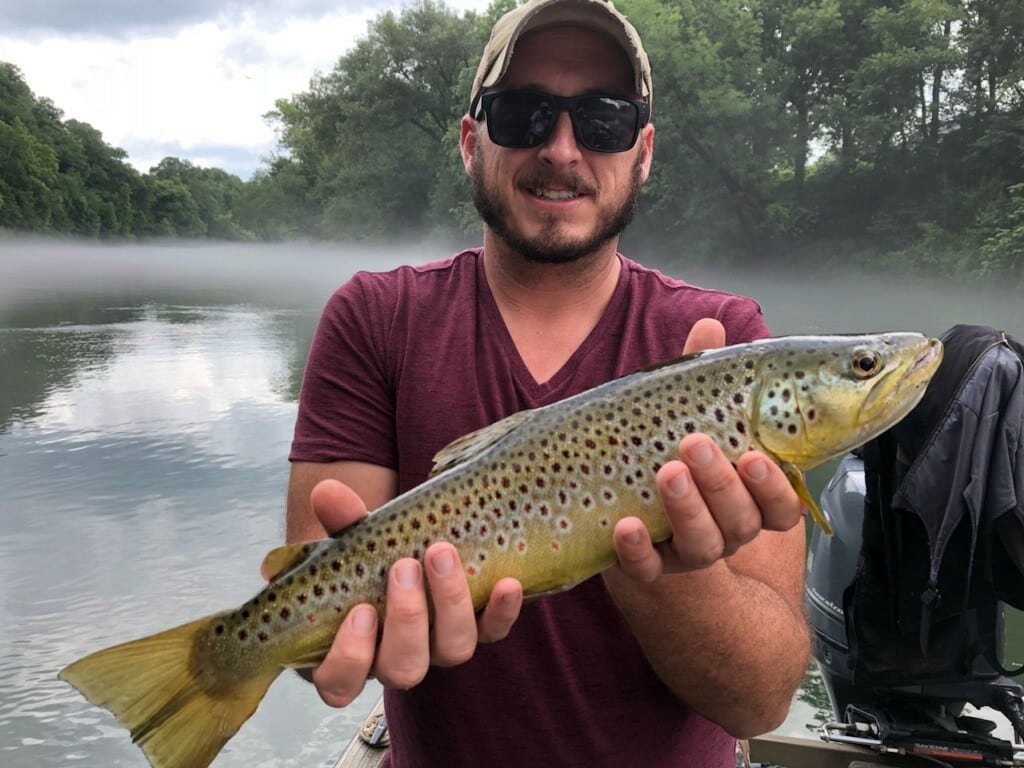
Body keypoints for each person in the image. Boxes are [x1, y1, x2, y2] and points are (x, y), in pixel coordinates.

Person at [284, 0, 810, 765]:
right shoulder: (375, 318)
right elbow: (311, 638)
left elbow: (760, 701)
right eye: (524, 113)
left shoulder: (726, 350)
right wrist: (339, 643)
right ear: (471, 142)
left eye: (602, 120)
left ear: (644, 151)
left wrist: (648, 553)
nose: (562, 149)